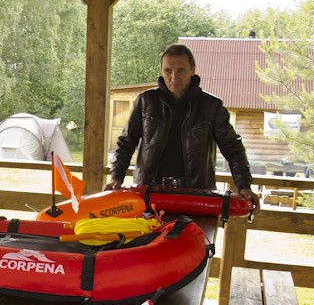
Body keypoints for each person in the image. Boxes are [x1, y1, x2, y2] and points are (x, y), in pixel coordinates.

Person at [105, 44, 260, 209]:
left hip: (196, 195)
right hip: (149, 193)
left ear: (192, 70)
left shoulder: (211, 106)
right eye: (168, 71)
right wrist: (116, 177)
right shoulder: (145, 102)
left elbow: (233, 148)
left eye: (180, 70)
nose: (174, 76)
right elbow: (126, 142)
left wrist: (244, 185)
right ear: (161, 70)